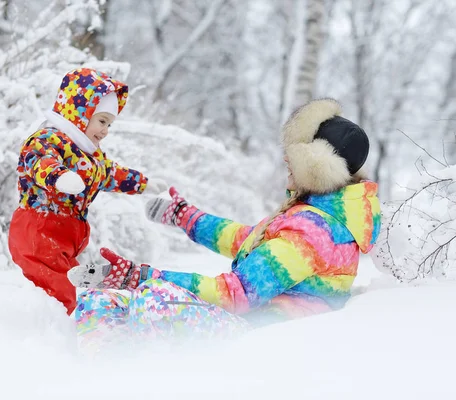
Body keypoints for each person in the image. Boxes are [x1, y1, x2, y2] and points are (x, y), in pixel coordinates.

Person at [68, 98, 381, 347]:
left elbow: (238, 293)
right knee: (99, 302)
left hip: (269, 340)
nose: (286, 159)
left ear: (317, 166)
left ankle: (143, 374)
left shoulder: (313, 231)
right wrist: (186, 217)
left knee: (154, 300)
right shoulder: (312, 213)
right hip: (251, 324)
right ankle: (110, 377)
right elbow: (247, 241)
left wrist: (140, 276)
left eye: (294, 156)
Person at [8, 68, 167, 315]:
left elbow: (112, 174)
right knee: (63, 295)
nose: (105, 131)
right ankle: (52, 336)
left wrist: (143, 183)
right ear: (80, 114)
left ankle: (59, 325)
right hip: (39, 230)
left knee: (72, 285)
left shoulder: (91, 157)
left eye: (109, 124)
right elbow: (36, 160)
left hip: (65, 237)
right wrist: (59, 176)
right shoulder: (48, 139)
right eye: (102, 121)